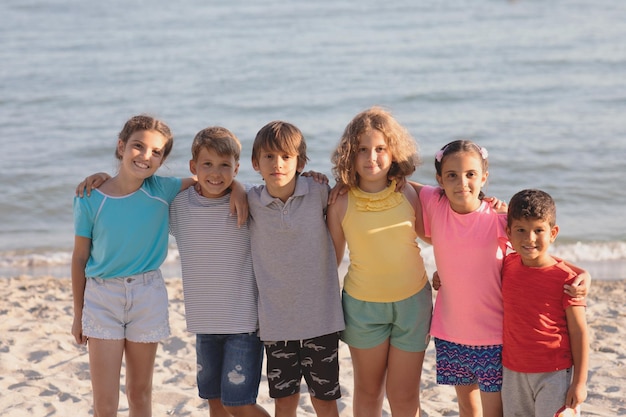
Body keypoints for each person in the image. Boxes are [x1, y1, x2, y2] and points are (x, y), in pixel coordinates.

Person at [413, 140, 589, 417]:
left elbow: (534, 250)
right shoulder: (434, 202)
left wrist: (582, 273)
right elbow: (401, 182)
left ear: (484, 177)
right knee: (467, 408)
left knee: (493, 410)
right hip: (450, 331)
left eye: (471, 174)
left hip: (494, 336)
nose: (462, 182)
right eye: (452, 175)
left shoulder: (498, 219)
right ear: (439, 180)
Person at [71, 115, 196, 417]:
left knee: (140, 392)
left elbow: (210, 179)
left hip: (147, 295)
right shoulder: (90, 197)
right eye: (138, 146)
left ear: (163, 159)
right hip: (102, 299)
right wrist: (78, 315)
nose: (146, 156)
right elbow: (79, 257)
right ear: (121, 146)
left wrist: (242, 192)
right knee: (105, 400)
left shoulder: (162, 190)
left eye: (157, 152)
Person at [326, 106, 432, 417]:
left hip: (413, 304)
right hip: (363, 308)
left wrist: (488, 203)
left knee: (403, 396)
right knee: (369, 392)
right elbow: (331, 260)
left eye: (380, 149)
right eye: (362, 150)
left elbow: (450, 217)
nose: (371, 157)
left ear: (394, 152)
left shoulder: (411, 193)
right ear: (350, 154)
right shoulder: (340, 201)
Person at [168, 127, 270, 417]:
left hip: (243, 324)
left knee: (237, 403)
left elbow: (279, 194)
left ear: (236, 168)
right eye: (207, 164)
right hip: (204, 323)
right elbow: (142, 191)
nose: (216, 173)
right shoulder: (178, 205)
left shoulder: (249, 200)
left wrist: (239, 187)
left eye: (225, 165)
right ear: (193, 167)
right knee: (214, 400)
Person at [247, 121, 345, 417]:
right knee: (285, 402)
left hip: (321, 320)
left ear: (300, 162)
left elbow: (351, 194)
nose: (278, 164)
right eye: (269, 156)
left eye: (287, 157)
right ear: (255, 163)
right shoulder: (250, 200)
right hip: (277, 325)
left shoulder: (318, 191)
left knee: (325, 402)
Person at [501, 189, 588, 416]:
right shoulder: (507, 265)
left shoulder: (567, 279)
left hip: (554, 373)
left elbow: (579, 332)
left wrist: (579, 382)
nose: (529, 238)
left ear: (553, 232)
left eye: (538, 230)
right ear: (509, 232)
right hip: (512, 372)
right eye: (521, 230)